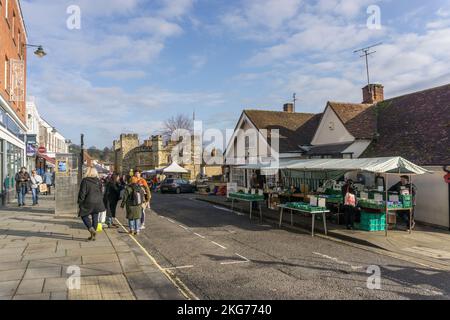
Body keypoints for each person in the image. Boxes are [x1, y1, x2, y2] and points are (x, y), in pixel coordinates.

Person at [78, 167, 106, 241]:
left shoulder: (85, 181)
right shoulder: (99, 181)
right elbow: (101, 192)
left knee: (83, 215)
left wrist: (80, 202)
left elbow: (82, 193)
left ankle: (91, 229)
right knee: (95, 217)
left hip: (88, 201)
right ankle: (93, 234)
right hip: (98, 202)